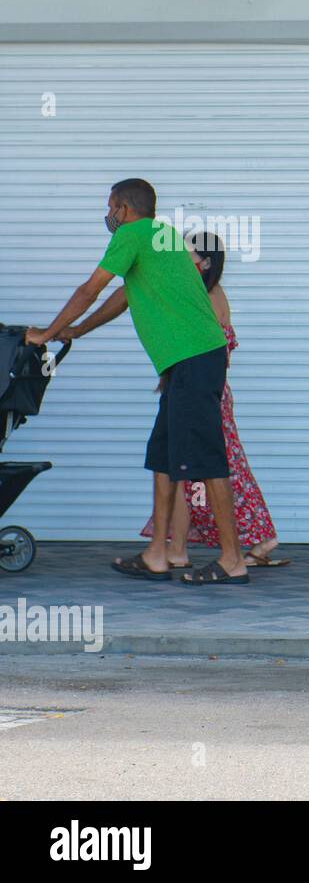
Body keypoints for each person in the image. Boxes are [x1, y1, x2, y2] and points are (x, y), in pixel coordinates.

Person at [26, 178, 249, 586]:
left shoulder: (132, 234)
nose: (108, 215)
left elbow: (90, 289)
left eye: (111, 207)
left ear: (124, 209)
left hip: (195, 357)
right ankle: (157, 555)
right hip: (187, 361)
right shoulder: (162, 237)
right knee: (164, 455)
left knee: (207, 457)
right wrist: (76, 331)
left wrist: (46, 332)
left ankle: (233, 559)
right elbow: (124, 296)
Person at [106, 232, 285, 569]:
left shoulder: (209, 295)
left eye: (186, 253)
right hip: (192, 388)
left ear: (205, 262)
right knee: (183, 471)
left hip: (206, 393)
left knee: (215, 469)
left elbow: (216, 347)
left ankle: (254, 541)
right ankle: (175, 549)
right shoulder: (192, 292)